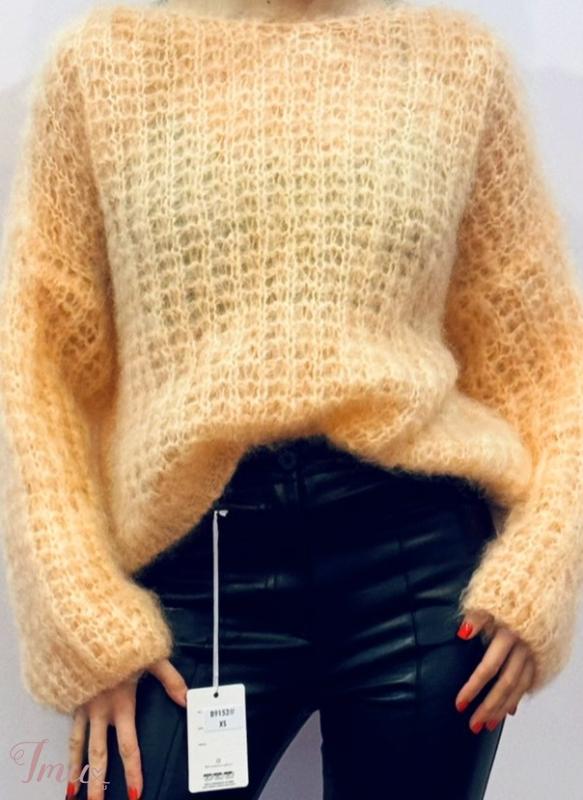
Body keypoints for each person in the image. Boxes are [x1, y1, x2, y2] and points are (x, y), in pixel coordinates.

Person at [0, 0, 582, 798]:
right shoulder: (102, 66)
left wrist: (543, 563)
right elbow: (42, 358)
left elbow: (545, 361)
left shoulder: (458, 66)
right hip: (197, 579)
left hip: (416, 574)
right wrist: (77, 611)